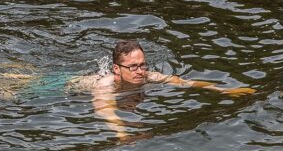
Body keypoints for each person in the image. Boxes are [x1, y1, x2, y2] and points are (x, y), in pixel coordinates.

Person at [73, 40, 256, 141]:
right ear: (116, 69)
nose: (140, 71)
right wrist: (121, 132)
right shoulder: (105, 84)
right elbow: (105, 110)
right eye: (133, 67)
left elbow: (185, 82)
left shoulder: (148, 76)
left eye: (143, 65)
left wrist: (224, 90)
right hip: (66, 86)